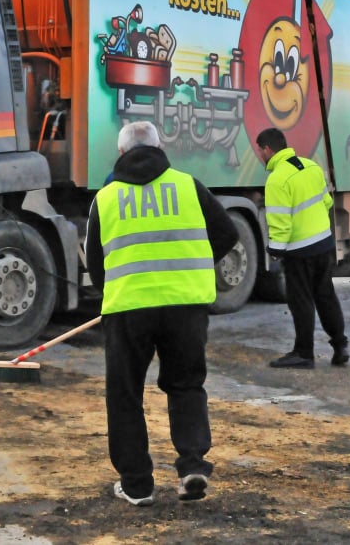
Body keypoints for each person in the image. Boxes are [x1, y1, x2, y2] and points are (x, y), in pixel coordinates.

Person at [85, 121, 237, 506]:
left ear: (121, 154)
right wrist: (195, 266)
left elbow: (95, 262)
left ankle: (137, 485)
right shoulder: (189, 186)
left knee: (125, 395)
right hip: (185, 307)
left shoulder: (105, 198)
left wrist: (114, 291)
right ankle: (192, 467)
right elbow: (227, 234)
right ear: (159, 147)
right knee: (186, 385)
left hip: (129, 309)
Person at [256, 127, 349, 369]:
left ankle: (304, 353)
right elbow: (326, 201)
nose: (259, 156)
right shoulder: (311, 167)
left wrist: (275, 250)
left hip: (300, 251)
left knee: (301, 301)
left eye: (260, 151)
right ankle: (340, 346)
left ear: (267, 149)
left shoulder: (277, 179)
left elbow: (280, 221)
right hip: (324, 244)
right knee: (326, 295)